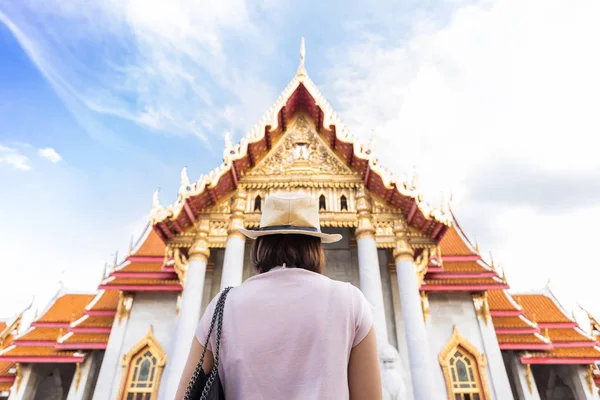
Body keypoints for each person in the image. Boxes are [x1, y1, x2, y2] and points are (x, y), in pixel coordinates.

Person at [175, 192, 382, 399]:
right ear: (316, 247)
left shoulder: (222, 306)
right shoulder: (350, 301)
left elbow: (185, 394)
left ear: (260, 245)